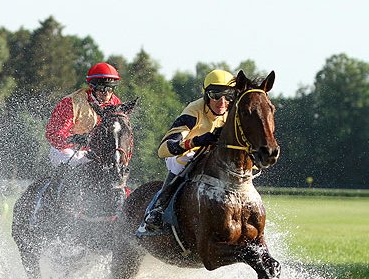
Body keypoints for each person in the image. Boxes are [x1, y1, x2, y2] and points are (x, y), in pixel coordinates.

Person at [142, 69, 237, 231]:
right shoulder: (194, 110)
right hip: (185, 154)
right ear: (206, 95)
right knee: (185, 161)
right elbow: (163, 149)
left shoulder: (232, 111)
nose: (222, 103)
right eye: (215, 95)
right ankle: (157, 209)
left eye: (228, 97)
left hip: (214, 156)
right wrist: (197, 141)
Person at [44, 62, 123, 167]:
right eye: (102, 88)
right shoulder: (71, 102)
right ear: (92, 87)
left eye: (110, 88)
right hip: (67, 150)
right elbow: (52, 134)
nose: (107, 93)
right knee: (75, 170)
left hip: (93, 153)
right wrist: (75, 139)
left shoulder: (116, 104)